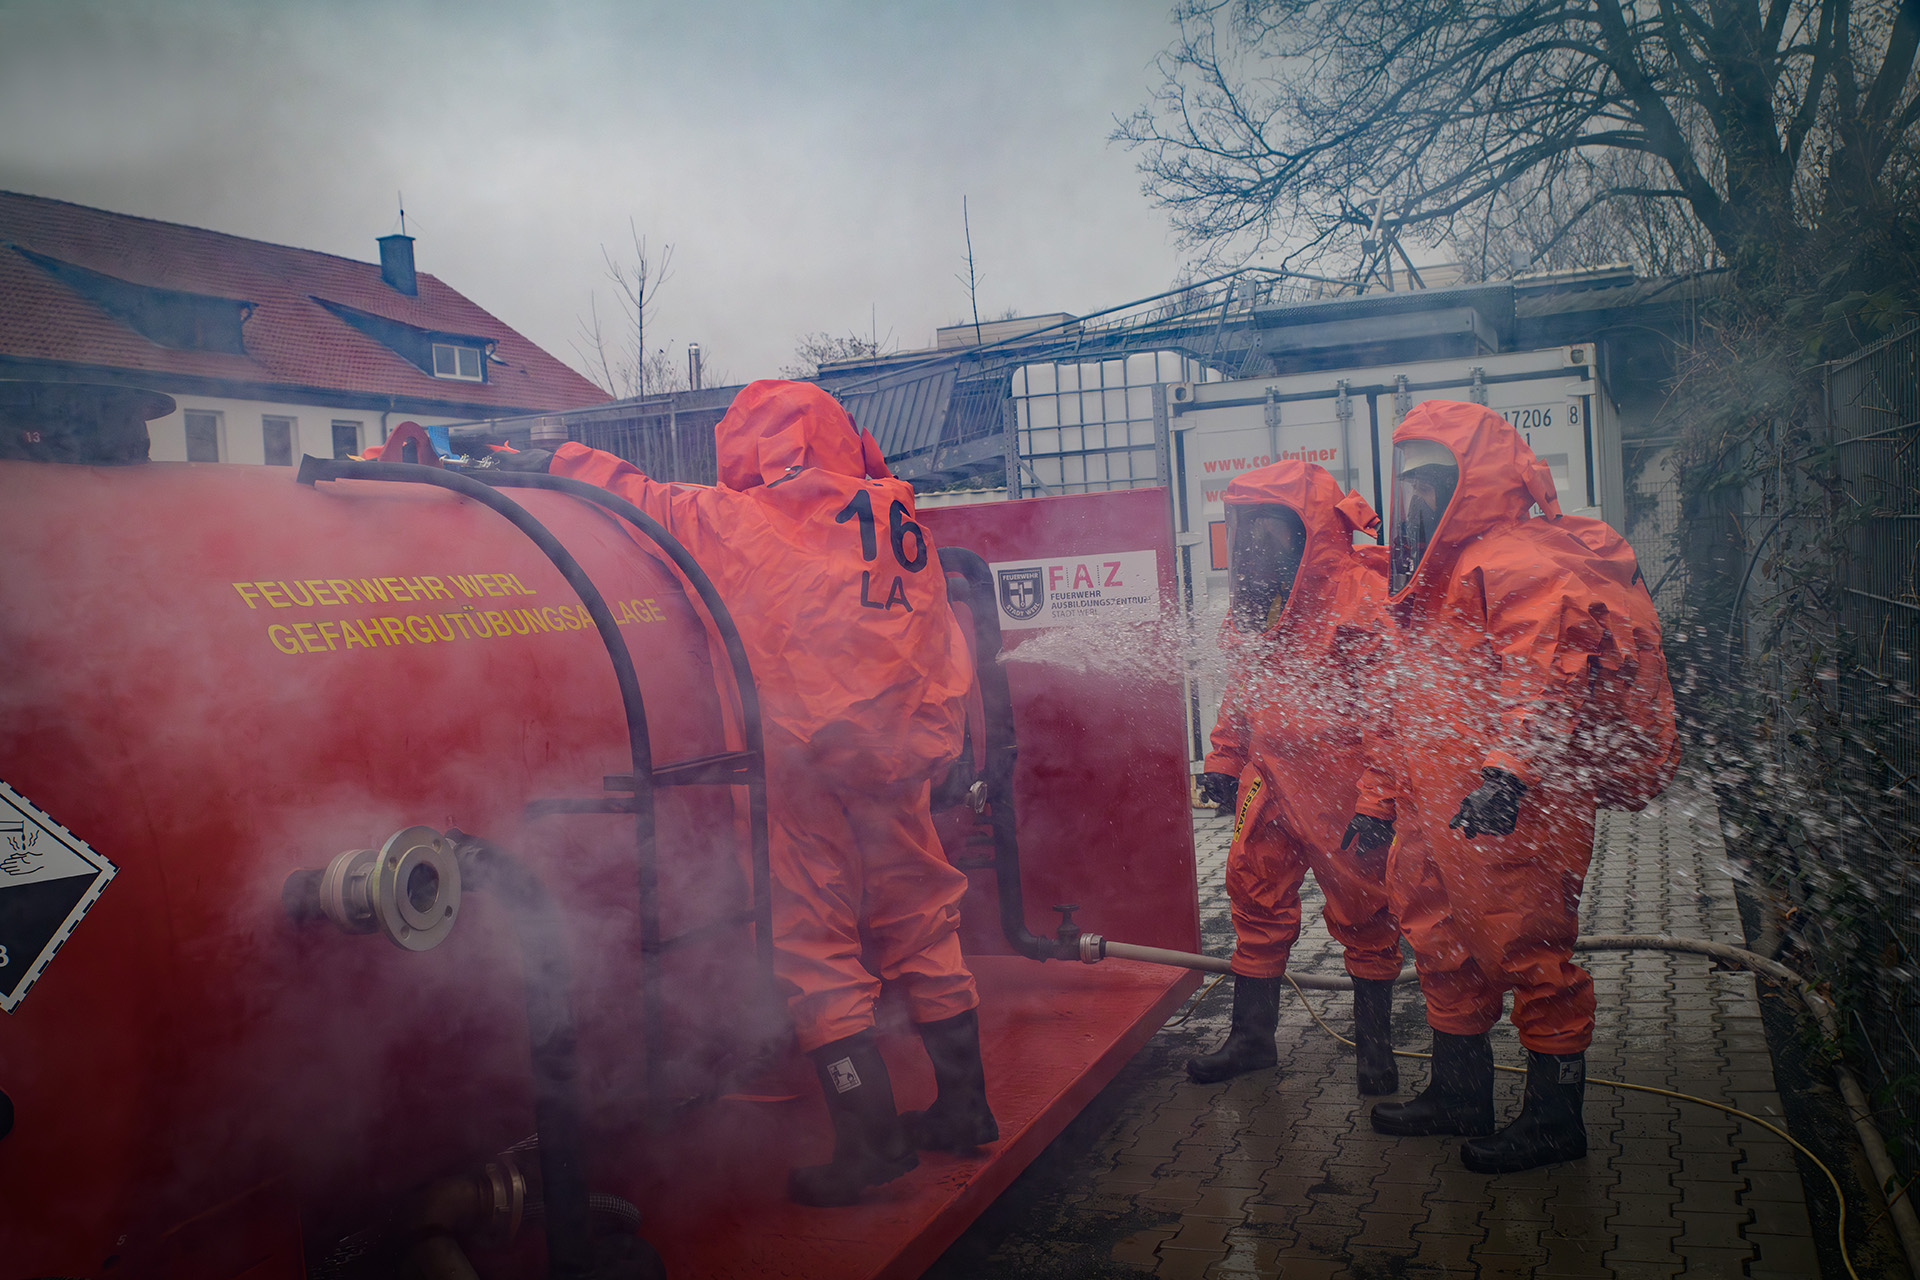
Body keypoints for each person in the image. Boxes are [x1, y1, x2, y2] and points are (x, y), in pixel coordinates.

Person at [490, 380, 993, 1206]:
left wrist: (551, 459)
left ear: (754, 446)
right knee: (921, 918)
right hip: (899, 754)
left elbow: (639, 497)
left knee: (813, 944)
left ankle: (870, 1141)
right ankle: (965, 1105)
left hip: (801, 760)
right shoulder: (896, 514)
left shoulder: (737, 519)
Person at [1357, 399, 1675, 1174]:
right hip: (1443, 807)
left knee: (1529, 950)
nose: (1414, 495)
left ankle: (1555, 1122)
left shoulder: (1518, 560)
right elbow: (1406, 703)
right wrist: (1381, 800)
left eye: (1431, 477)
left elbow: (1547, 671)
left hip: (1515, 809)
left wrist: (1509, 772)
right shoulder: (1427, 580)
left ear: (1472, 479)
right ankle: (1459, 1095)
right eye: (1408, 479)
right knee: (1441, 944)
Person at [1188, 461, 1403, 1095]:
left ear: (1308, 529)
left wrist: (1378, 801)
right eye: (1247, 528)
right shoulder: (1259, 602)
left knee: (1365, 912)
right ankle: (1252, 1040)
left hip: (1342, 788)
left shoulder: (1359, 597)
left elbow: (1390, 714)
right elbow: (1244, 690)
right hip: (1270, 780)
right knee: (1254, 898)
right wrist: (1224, 759)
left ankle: (1375, 1050)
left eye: (1269, 528)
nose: (1255, 544)